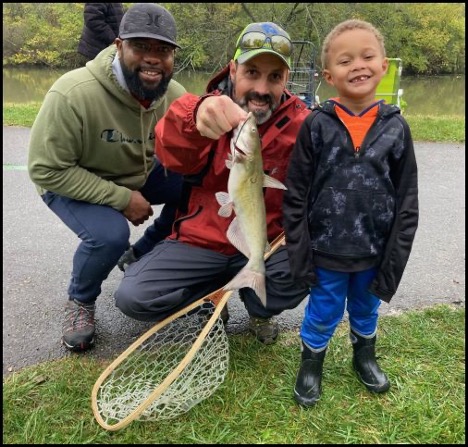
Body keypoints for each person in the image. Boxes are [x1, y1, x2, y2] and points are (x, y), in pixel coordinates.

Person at [114, 21, 311, 344]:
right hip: (202, 241)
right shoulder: (205, 109)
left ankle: (260, 309)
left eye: (274, 77)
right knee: (133, 296)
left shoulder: (305, 124)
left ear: (286, 79)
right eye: (252, 73)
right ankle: (209, 302)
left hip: (266, 242)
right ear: (233, 70)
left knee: (311, 258)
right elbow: (170, 149)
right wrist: (195, 118)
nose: (261, 89)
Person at [28, 3, 186, 352]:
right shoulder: (72, 93)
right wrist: (121, 199)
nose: (152, 59)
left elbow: (207, 139)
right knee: (109, 235)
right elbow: (45, 168)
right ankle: (81, 301)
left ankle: (141, 253)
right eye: (140, 47)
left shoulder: (174, 95)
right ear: (118, 46)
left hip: (136, 172)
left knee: (193, 184)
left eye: (162, 50)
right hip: (71, 180)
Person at [282, 19, 419, 407]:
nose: (357, 65)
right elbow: (295, 194)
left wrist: (394, 259)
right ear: (328, 75)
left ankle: (365, 355)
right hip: (326, 251)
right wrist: (300, 254)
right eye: (345, 60)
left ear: (382, 65)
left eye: (367, 56)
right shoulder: (316, 125)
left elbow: (407, 200)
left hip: (373, 252)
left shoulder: (397, 128)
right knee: (322, 310)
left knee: (365, 307)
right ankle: (311, 364)